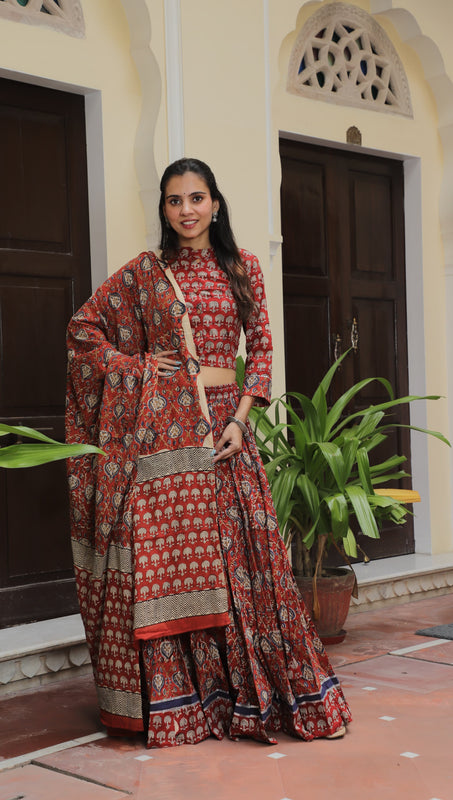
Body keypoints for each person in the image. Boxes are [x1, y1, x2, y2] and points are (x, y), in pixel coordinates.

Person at [65, 157, 351, 748]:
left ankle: (249, 696)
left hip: (225, 432)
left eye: (196, 198)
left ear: (215, 204)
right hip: (163, 437)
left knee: (244, 559)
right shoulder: (146, 272)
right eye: (175, 201)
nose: (187, 210)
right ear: (164, 209)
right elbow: (82, 330)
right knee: (168, 565)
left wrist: (242, 421)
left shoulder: (243, 268)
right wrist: (138, 366)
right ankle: (185, 704)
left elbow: (262, 351)